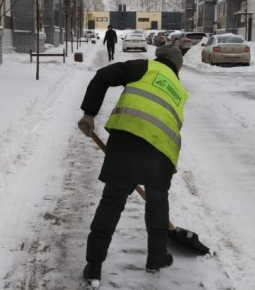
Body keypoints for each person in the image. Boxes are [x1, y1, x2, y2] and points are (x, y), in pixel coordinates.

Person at [77, 45, 189, 287]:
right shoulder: (179, 89)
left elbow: (102, 76)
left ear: (159, 58)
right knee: (157, 203)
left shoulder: (142, 67)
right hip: (161, 150)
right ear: (178, 66)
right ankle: (157, 258)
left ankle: (94, 267)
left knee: (112, 201)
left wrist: (89, 113)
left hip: (126, 141)